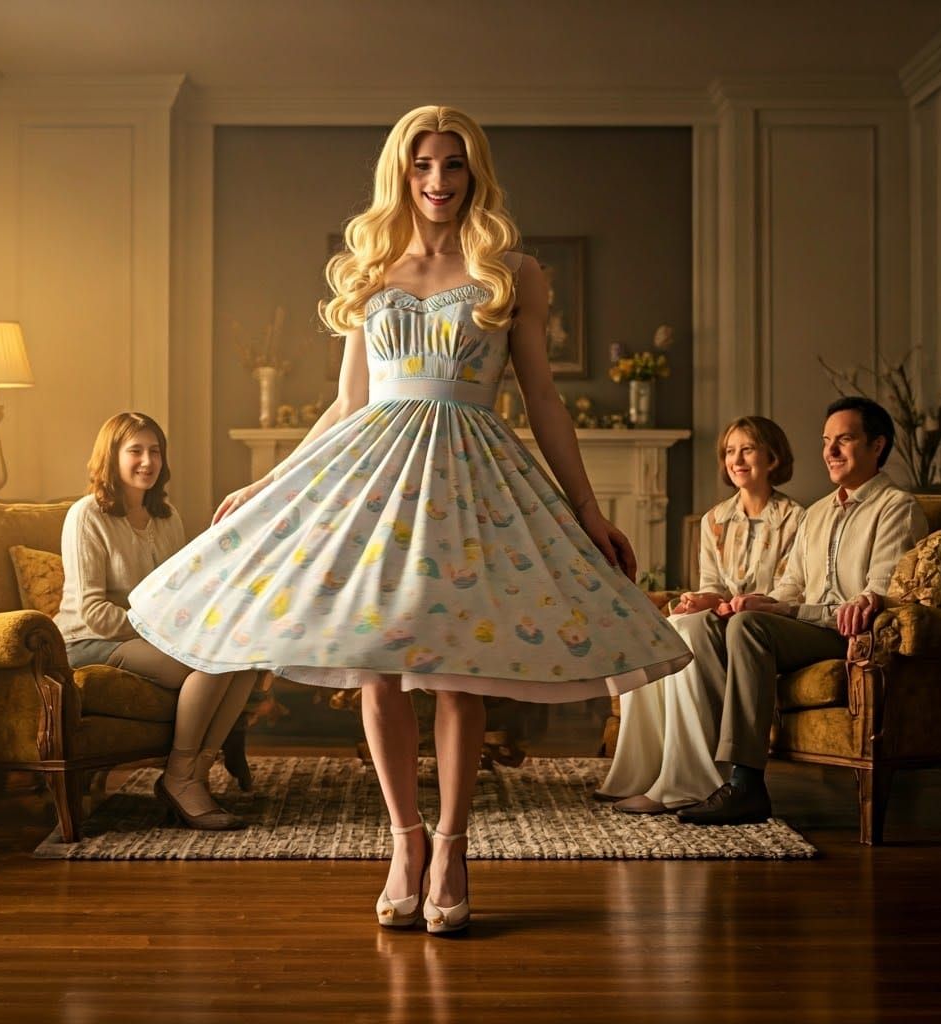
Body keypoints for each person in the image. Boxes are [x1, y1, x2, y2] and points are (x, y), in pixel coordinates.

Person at [127, 105, 691, 933]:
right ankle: (405, 841)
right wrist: (270, 485)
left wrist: (586, 509)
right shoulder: (369, 272)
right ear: (403, 171)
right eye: (423, 165)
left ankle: (456, 845)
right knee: (377, 672)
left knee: (459, 673)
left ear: (474, 172)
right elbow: (349, 405)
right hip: (378, 482)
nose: (437, 181)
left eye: (453, 165)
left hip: (473, 482)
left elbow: (543, 401)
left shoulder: (514, 273)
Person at [675, 396, 928, 826]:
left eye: (844, 440)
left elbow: (878, 592)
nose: (830, 451)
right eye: (826, 441)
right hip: (808, 624)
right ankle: (702, 770)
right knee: (721, 624)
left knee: (750, 628)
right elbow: (792, 584)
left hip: (845, 632)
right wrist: (763, 601)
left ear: (877, 446)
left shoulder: (896, 509)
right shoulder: (816, 514)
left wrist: (862, 601)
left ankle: (746, 783)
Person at [55, 412, 258, 831]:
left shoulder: (167, 517)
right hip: (90, 638)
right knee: (209, 663)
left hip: (150, 635)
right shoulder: (86, 515)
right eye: (135, 451)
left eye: (155, 451)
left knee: (243, 660)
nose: (147, 461)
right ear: (111, 457)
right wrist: (164, 631)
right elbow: (92, 610)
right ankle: (181, 777)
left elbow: (180, 593)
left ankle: (193, 775)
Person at [595, 416, 804, 812]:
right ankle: (640, 772)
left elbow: (791, 588)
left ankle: (685, 781)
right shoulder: (714, 520)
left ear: (772, 457)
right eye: (729, 451)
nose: (736, 459)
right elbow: (712, 583)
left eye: (747, 449)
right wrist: (704, 600)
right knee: (659, 629)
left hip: (762, 625)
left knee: (688, 632)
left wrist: (737, 604)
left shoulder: (797, 519)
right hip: (721, 619)